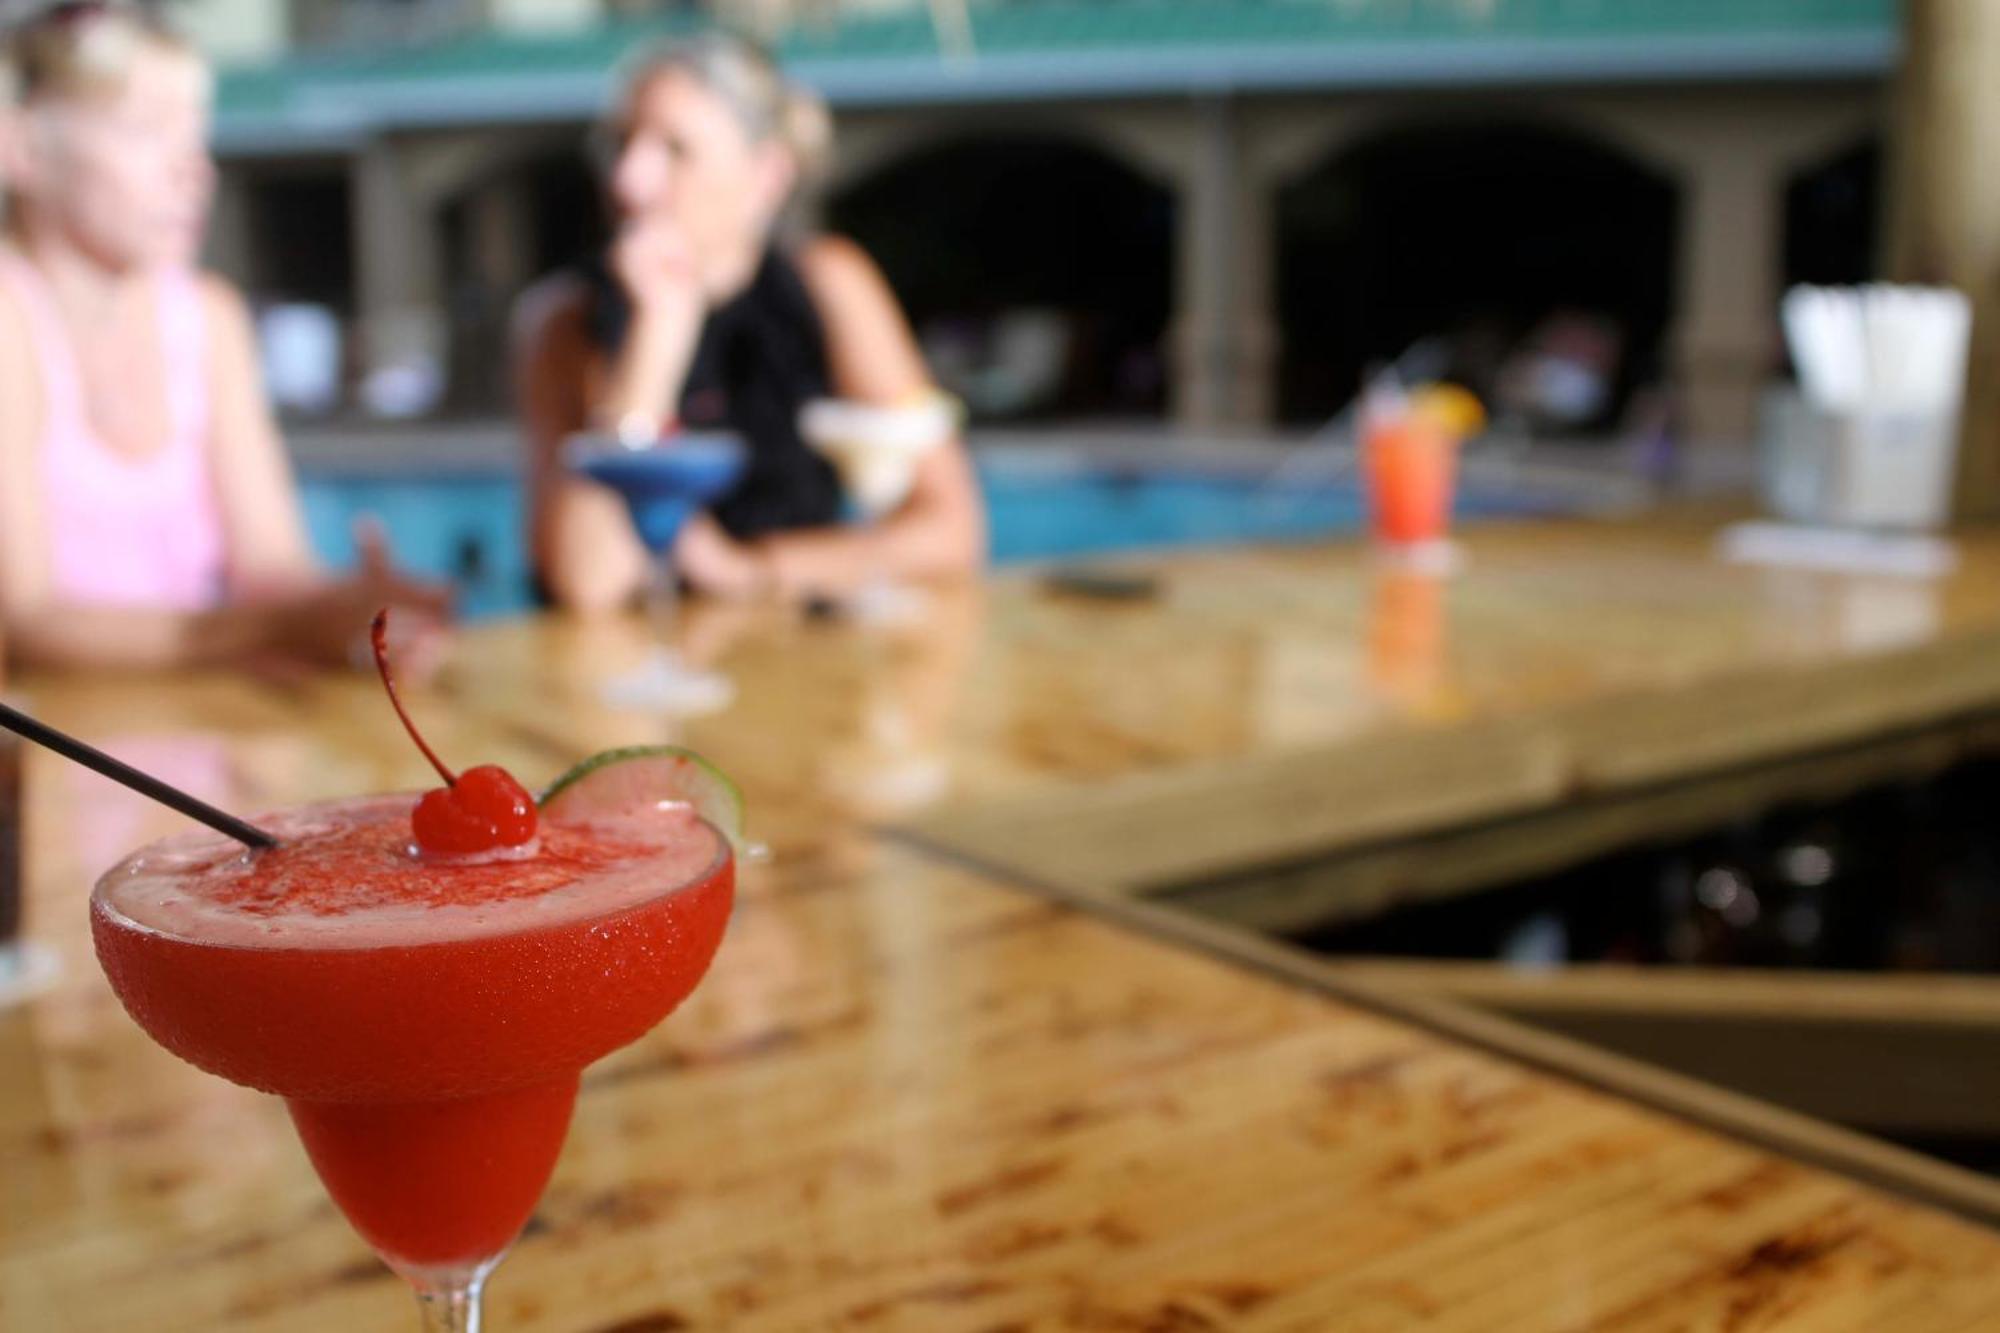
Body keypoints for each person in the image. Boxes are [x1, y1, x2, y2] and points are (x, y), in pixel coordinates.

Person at [0, 2, 447, 671]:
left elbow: (268, 562)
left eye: (196, 136)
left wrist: (358, 609)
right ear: (21, 146)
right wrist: (281, 627)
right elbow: (23, 623)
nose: (194, 169)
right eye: (147, 130)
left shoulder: (209, 317)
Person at [515, 33, 985, 612]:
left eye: (675, 150)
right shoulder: (566, 322)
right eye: (620, 146)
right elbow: (586, 584)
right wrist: (657, 336)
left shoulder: (827, 284)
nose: (628, 181)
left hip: (793, 658)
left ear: (766, 175)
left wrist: (753, 569)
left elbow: (952, 530)